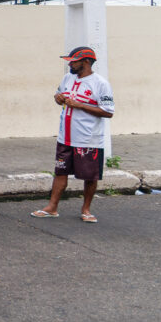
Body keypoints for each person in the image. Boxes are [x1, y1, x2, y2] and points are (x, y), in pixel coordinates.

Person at [31, 46, 114, 223]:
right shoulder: (67, 78)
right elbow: (58, 94)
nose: (70, 64)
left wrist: (80, 105)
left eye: (74, 62)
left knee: (90, 176)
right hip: (65, 137)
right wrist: (58, 98)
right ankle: (52, 207)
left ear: (86, 62)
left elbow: (108, 112)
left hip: (88, 139)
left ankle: (86, 210)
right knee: (60, 172)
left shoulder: (100, 84)